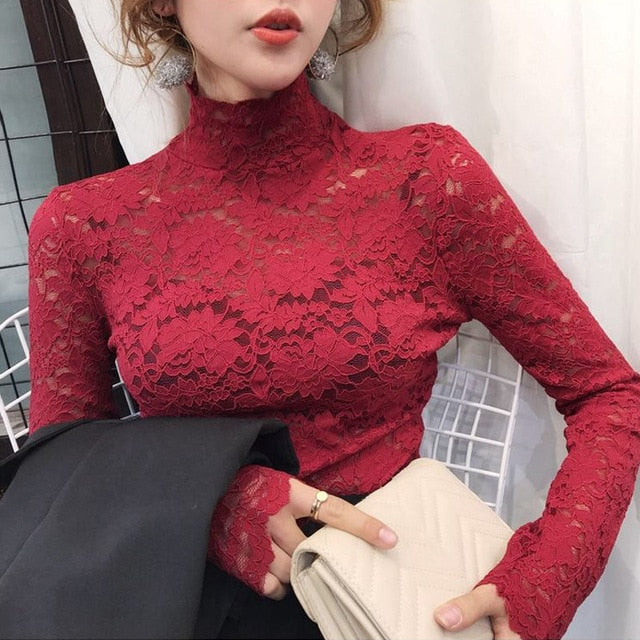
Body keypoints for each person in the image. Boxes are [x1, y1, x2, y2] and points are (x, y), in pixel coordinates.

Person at [25, 1, 640, 638]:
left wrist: (542, 582)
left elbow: (608, 393)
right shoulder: (84, 226)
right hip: (188, 603)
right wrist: (205, 500)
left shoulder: (424, 181)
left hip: (394, 606)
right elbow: (61, 460)